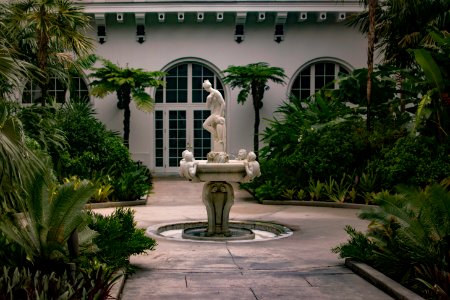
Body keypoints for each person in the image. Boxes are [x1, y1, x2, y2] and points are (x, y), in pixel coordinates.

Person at [202, 79, 226, 151]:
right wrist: (208, 99)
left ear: (206, 88)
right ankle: (216, 135)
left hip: (218, 113)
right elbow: (207, 107)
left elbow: (223, 103)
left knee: (205, 125)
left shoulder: (216, 92)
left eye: (204, 88)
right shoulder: (210, 95)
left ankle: (219, 138)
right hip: (214, 113)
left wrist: (220, 114)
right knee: (205, 125)